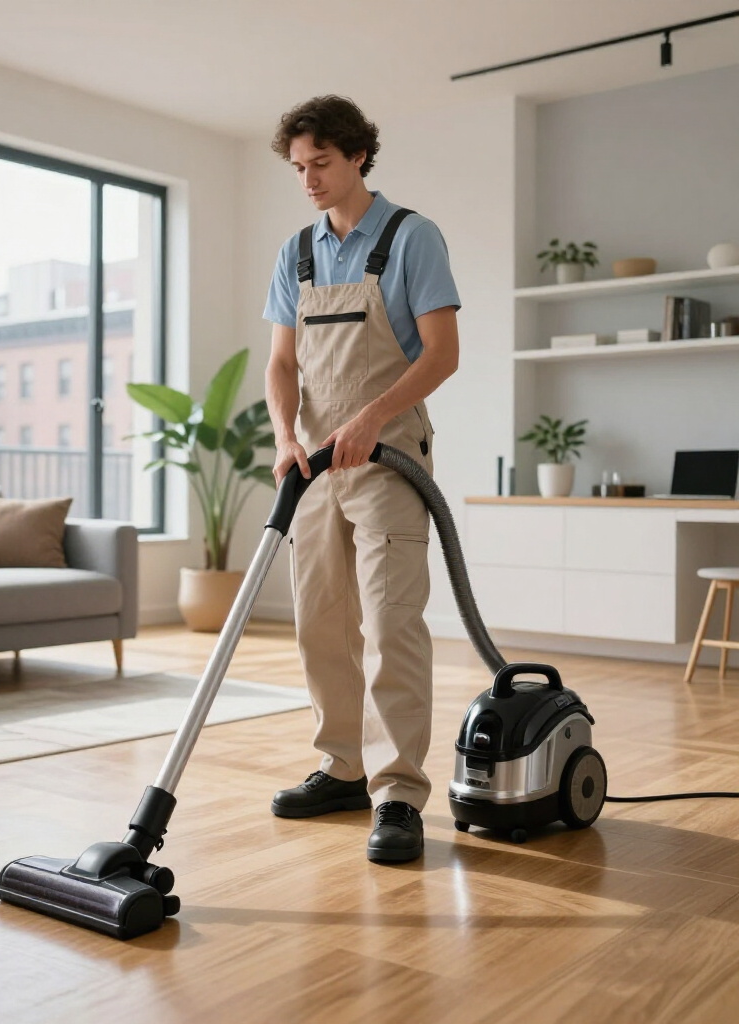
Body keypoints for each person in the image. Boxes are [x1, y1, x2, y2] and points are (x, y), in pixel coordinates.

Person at [263, 95, 461, 863]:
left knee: (391, 624)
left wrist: (374, 417)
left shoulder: (412, 238)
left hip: (389, 459)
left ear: (356, 157)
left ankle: (399, 792)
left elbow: (441, 354)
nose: (308, 180)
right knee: (319, 622)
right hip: (311, 466)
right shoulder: (297, 252)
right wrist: (285, 435)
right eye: (297, 169)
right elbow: (283, 363)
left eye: (320, 164)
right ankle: (343, 767)